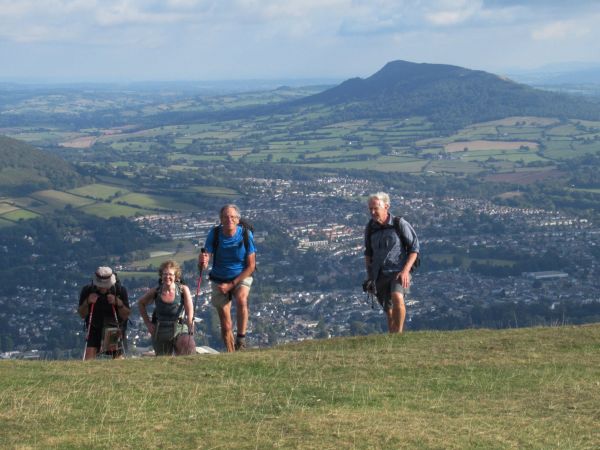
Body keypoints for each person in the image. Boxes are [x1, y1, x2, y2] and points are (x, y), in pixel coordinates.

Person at [199, 204, 256, 352]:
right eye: (225, 217)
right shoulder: (215, 233)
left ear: (238, 219)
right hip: (219, 279)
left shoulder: (245, 235)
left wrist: (231, 285)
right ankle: (231, 354)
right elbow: (207, 257)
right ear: (221, 219)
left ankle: (241, 339)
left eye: (232, 217)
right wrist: (203, 262)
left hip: (241, 275)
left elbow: (251, 266)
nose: (229, 219)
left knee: (242, 299)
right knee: (226, 325)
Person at [364, 192, 420, 333]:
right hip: (379, 274)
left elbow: (414, 249)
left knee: (397, 297)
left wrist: (406, 271)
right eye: (370, 209)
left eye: (376, 208)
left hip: (398, 271)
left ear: (386, 206)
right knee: (388, 311)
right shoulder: (370, 228)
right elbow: (368, 254)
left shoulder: (399, 224)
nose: (372, 212)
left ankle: (399, 334)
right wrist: (370, 277)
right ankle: (393, 338)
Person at [138, 260, 196, 356]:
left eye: (170, 274)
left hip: (179, 327)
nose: (167, 277)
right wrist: (148, 324)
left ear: (176, 276)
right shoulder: (156, 291)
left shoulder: (183, 290)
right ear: (161, 276)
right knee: (163, 362)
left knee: (187, 346)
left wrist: (191, 328)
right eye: (165, 274)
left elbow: (190, 312)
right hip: (160, 330)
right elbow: (141, 303)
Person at [78, 266, 130, 360]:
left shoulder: (120, 291)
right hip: (94, 327)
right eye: (100, 285)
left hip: (113, 327)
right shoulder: (87, 291)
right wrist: (87, 302)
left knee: (117, 358)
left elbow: (126, 314)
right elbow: (82, 314)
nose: (102, 287)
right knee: (89, 358)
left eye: (105, 285)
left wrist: (118, 303)